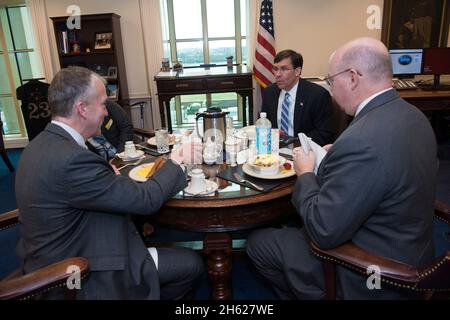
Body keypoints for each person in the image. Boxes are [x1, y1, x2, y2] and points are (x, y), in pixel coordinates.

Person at [246, 38, 437, 299]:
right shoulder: (415, 116)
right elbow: (386, 166)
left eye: (331, 79)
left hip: (375, 272)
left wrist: (306, 174)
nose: (331, 88)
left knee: (258, 244)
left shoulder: (361, 140)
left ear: (352, 77)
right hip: (416, 248)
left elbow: (322, 232)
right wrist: (340, 150)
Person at [15, 66, 204, 299]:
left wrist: (104, 177)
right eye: (103, 104)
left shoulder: (41, 143)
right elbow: (146, 201)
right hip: (73, 272)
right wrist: (176, 161)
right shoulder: (72, 159)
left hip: (55, 250)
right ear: (82, 109)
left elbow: (71, 192)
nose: (106, 112)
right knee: (190, 264)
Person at [261, 49, 334, 146]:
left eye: (284, 69)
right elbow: (265, 124)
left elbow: (324, 134)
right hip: (275, 151)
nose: (278, 74)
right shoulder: (270, 92)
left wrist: (294, 143)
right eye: (275, 69)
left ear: (297, 71)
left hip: (304, 151)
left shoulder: (318, 95)